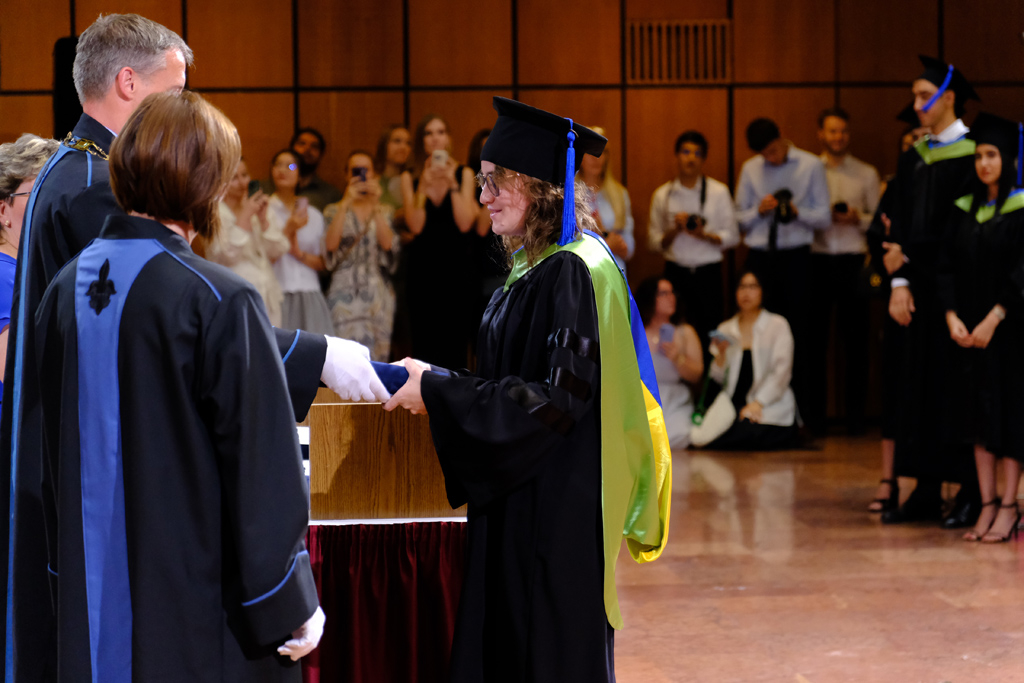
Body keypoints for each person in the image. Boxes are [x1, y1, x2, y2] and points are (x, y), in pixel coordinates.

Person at [0, 16, 386, 679]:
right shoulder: (104, 193)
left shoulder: (64, 179)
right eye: (174, 92)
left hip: (80, 493)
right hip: (152, 504)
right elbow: (180, 340)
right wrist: (316, 354)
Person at [35, 90, 324, 681]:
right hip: (194, 607)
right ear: (206, 185)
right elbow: (261, 468)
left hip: (89, 606)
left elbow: (50, 455)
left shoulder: (62, 291)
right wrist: (291, 602)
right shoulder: (217, 297)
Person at [384, 97, 670, 683]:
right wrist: (436, 380)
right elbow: (513, 382)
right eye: (480, 182)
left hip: (554, 512)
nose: (484, 197)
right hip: (526, 498)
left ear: (540, 186)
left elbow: (556, 402)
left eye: (496, 182)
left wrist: (439, 393)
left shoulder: (575, 269)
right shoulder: (534, 269)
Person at [867, 56, 981, 528]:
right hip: (915, 292)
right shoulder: (914, 157)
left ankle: (972, 491)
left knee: (958, 391)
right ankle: (927, 488)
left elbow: (961, 227)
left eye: (923, 96)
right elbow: (893, 223)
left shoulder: (975, 155)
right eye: (914, 96)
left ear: (948, 97)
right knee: (918, 386)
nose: (915, 104)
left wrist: (907, 255)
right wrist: (897, 278)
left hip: (958, 290)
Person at [937, 112, 1024, 542]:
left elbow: (1021, 272)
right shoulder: (964, 209)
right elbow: (946, 266)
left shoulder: (1021, 208)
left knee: (1010, 418)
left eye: (992, 155)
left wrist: (995, 317)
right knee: (977, 418)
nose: (984, 164)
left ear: (1009, 159)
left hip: (1009, 331)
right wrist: (952, 315)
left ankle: (1009, 506)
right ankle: (986, 503)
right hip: (968, 332)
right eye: (979, 156)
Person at [735, 118, 830, 423]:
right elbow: (739, 219)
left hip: (797, 258)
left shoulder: (810, 165)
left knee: (802, 335)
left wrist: (798, 212)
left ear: (781, 138)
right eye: (764, 154)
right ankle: (758, 412)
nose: (770, 158)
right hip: (761, 258)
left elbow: (824, 217)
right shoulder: (751, 169)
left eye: (773, 151)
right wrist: (759, 210)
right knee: (759, 333)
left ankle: (806, 418)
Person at [807, 108, 880, 435]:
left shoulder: (866, 172)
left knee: (857, 344)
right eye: (832, 131)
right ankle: (815, 420)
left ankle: (856, 419)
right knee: (815, 343)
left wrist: (856, 218)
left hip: (854, 261)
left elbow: (878, 220)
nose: (839, 137)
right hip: (818, 260)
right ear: (820, 134)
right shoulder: (810, 170)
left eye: (843, 131)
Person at [400, 114, 479, 369]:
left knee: (456, 342)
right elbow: (415, 225)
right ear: (421, 141)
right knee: (423, 342)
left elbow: (465, 223)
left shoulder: (464, 173)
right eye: (429, 133)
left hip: (457, 268)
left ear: (448, 139)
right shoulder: (410, 177)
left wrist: (452, 183)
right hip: (422, 269)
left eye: (441, 132)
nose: (435, 138)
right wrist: (423, 186)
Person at [648, 130, 739, 346]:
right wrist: (675, 230)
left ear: (704, 159)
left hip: (709, 273)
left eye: (697, 153)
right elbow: (652, 243)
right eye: (685, 152)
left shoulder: (719, 191)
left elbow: (733, 237)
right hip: (675, 272)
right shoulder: (663, 194)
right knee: (673, 330)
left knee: (711, 330)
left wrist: (703, 235)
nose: (691, 158)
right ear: (677, 156)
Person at [705, 270, 800, 450]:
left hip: (767, 403)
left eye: (752, 287)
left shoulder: (777, 325)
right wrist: (721, 355)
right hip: (733, 405)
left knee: (751, 433)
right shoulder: (725, 328)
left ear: (762, 291)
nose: (746, 293)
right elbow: (717, 378)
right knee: (709, 435)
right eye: (741, 287)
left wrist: (759, 402)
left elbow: (782, 373)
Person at [323, 151, 399, 361]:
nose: (361, 176)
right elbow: (330, 245)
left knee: (378, 358)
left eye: (366, 170)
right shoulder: (333, 210)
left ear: (374, 175)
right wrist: (346, 202)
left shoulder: (384, 210)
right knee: (344, 358)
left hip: (377, 293)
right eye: (355, 171)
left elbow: (388, 244)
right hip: (343, 292)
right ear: (347, 175)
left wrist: (375, 204)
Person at [0, 135, 59, 389]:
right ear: (3, 210)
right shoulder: (5, 277)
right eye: (37, 192)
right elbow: (19, 376)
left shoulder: (25, 270)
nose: (50, 201)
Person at [207, 157, 290, 326]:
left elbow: (278, 250)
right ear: (220, 182)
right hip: (233, 297)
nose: (242, 183)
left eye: (244, 175)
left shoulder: (257, 207)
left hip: (268, 296)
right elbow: (226, 255)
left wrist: (263, 220)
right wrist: (246, 215)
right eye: (234, 178)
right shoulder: (214, 213)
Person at [268, 149, 335, 336]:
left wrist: (299, 254)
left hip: (309, 292)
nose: (283, 170)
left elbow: (323, 262)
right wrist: (288, 230)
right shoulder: (263, 211)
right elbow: (261, 258)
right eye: (278, 165)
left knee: (314, 349)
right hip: (276, 292)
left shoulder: (314, 215)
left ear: (300, 175)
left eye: (290, 166)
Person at [637, 276, 704, 450]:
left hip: (675, 400)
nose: (671, 298)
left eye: (672, 293)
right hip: (643, 396)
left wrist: (678, 359)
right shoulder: (636, 331)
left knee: (676, 436)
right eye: (663, 293)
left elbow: (697, 375)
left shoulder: (685, 332)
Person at [578, 126, 634, 272]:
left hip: (614, 270)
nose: (596, 158)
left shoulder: (619, 193)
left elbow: (629, 247)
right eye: (590, 151)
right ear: (580, 155)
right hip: (583, 271)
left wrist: (606, 238)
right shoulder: (567, 194)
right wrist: (607, 244)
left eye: (601, 152)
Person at [287, 127, 344, 211]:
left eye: (314, 146)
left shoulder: (331, 195)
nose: (307, 149)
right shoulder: (269, 187)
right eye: (302, 143)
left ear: (320, 154)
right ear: (292, 148)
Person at [374, 124, 412, 212]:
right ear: (384, 145)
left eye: (408, 143)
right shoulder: (372, 179)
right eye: (397, 141)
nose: (403, 147)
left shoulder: (413, 181)